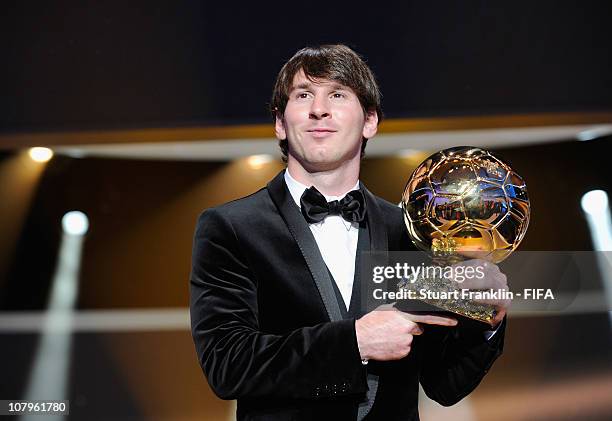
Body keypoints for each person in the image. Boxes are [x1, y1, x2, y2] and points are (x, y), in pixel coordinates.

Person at [190, 44, 508, 421]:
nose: (319, 108)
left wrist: (489, 320)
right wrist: (355, 342)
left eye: (337, 94)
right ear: (280, 122)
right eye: (304, 95)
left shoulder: (412, 232)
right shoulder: (231, 227)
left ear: (370, 120)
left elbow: (444, 383)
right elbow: (228, 364)